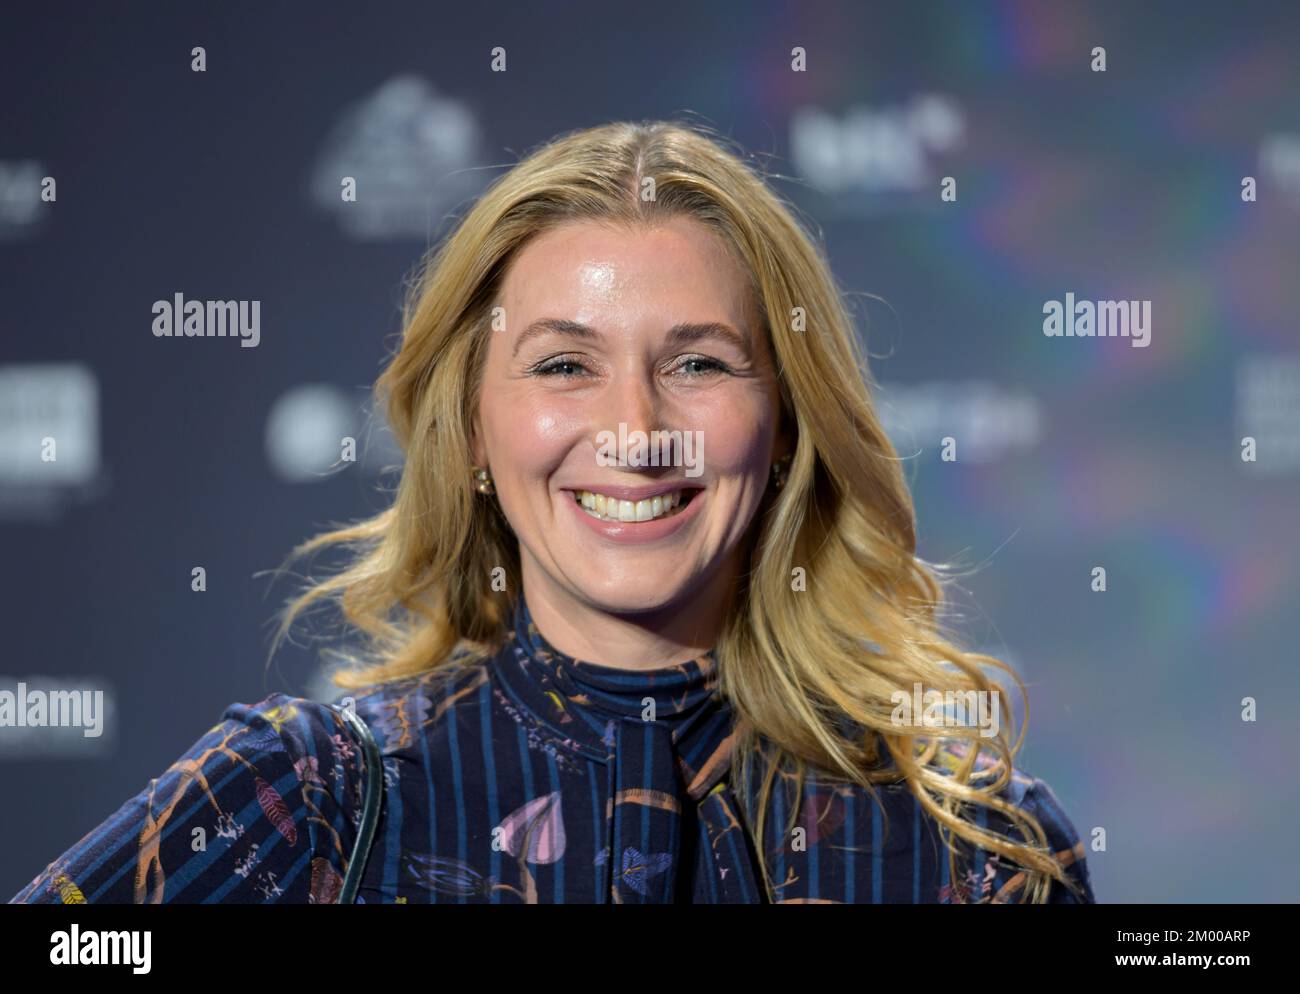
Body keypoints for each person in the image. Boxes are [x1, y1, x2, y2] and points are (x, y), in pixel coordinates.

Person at [10, 120, 1094, 904]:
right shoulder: (315, 797)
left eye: (700, 362)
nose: (633, 425)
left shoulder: (975, 849)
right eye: (566, 363)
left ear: (787, 428)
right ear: (476, 430)